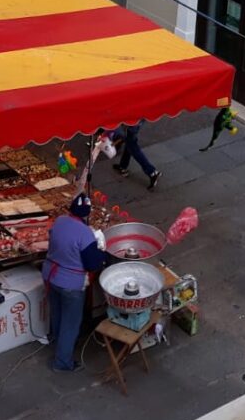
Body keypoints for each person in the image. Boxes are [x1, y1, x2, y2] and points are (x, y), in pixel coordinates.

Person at [42, 193, 107, 372]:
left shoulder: (60, 221)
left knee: (57, 312)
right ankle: (62, 362)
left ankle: (57, 343)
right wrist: (101, 252)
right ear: (86, 214)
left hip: (50, 275)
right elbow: (92, 264)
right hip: (70, 284)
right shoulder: (85, 234)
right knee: (71, 322)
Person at [112, 120, 161, 190]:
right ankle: (123, 166)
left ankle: (152, 172)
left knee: (132, 146)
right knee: (129, 142)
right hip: (137, 120)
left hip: (132, 121)